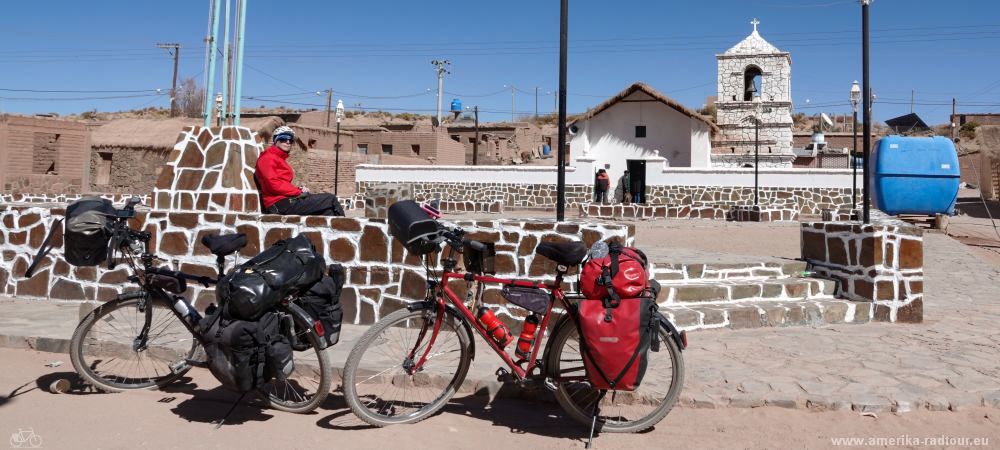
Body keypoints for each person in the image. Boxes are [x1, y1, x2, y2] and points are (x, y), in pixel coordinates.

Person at [255, 126, 345, 216]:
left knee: (328, 212)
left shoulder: (279, 158)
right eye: (283, 138)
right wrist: (298, 192)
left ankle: (340, 229)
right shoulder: (267, 158)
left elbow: (281, 184)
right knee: (330, 199)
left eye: (291, 140)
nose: (288, 142)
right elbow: (273, 184)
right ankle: (349, 227)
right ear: (276, 140)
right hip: (278, 204)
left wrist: (298, 190)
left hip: (287, 201)